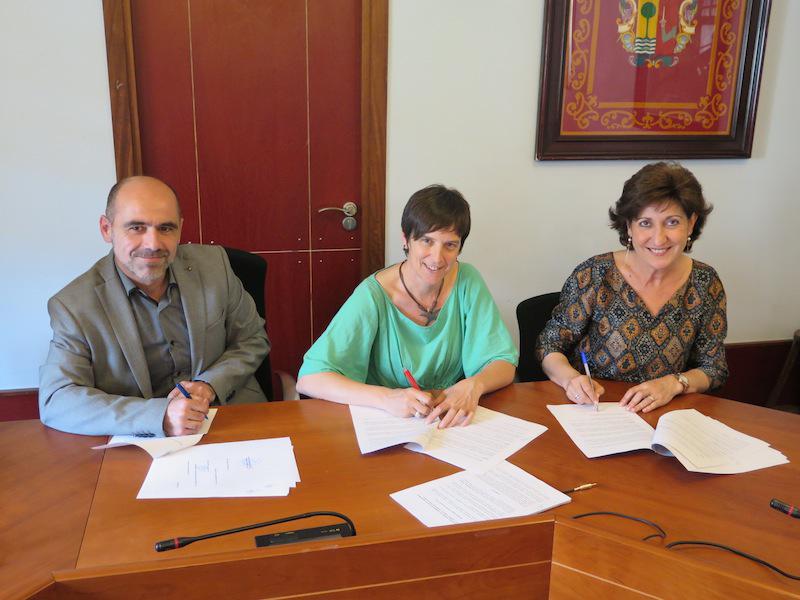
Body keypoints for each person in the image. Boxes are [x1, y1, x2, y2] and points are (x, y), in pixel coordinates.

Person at [39, 176, 270, 437]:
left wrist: (209, 384)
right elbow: (57, 400)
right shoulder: (74, 305)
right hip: (144, 437)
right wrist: (160, 416)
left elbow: (252, 339)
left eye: (166, 228)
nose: (153, 244)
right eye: (136, 227)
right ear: (106, 229)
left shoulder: (215, 266)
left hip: (231, 417)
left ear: (180, 229)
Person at [297, 184, 518, 428]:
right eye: (426, 241)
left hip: (449, 424)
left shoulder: (468, 280)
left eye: (450, 245)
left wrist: (474, 385)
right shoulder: (372, 295)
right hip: (389, 424)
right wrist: (387, 398)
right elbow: (310, 379)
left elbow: (503, 362)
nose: (437, 258)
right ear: (406, 239)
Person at [536, 162, 728, 413]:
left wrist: (675, 383)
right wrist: (571, 379)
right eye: (645, 223)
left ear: (691, 223)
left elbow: (714, 368)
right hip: (595, 409)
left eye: (672, 222)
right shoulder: (595, 274)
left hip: (663, 413)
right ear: (629, 226)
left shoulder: (705, 282)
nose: (659, 238)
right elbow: (549, 346)